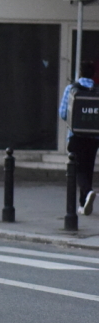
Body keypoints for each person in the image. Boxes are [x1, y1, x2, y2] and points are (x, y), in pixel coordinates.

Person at [61, 59, 98, 216]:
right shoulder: (97, 90)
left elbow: (63, 113)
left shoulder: (71, 89)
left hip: (76, 136)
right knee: (88, 167)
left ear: (80, 72)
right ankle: (83, 204)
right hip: (94, 138)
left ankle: (87, 192)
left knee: (77, 169)